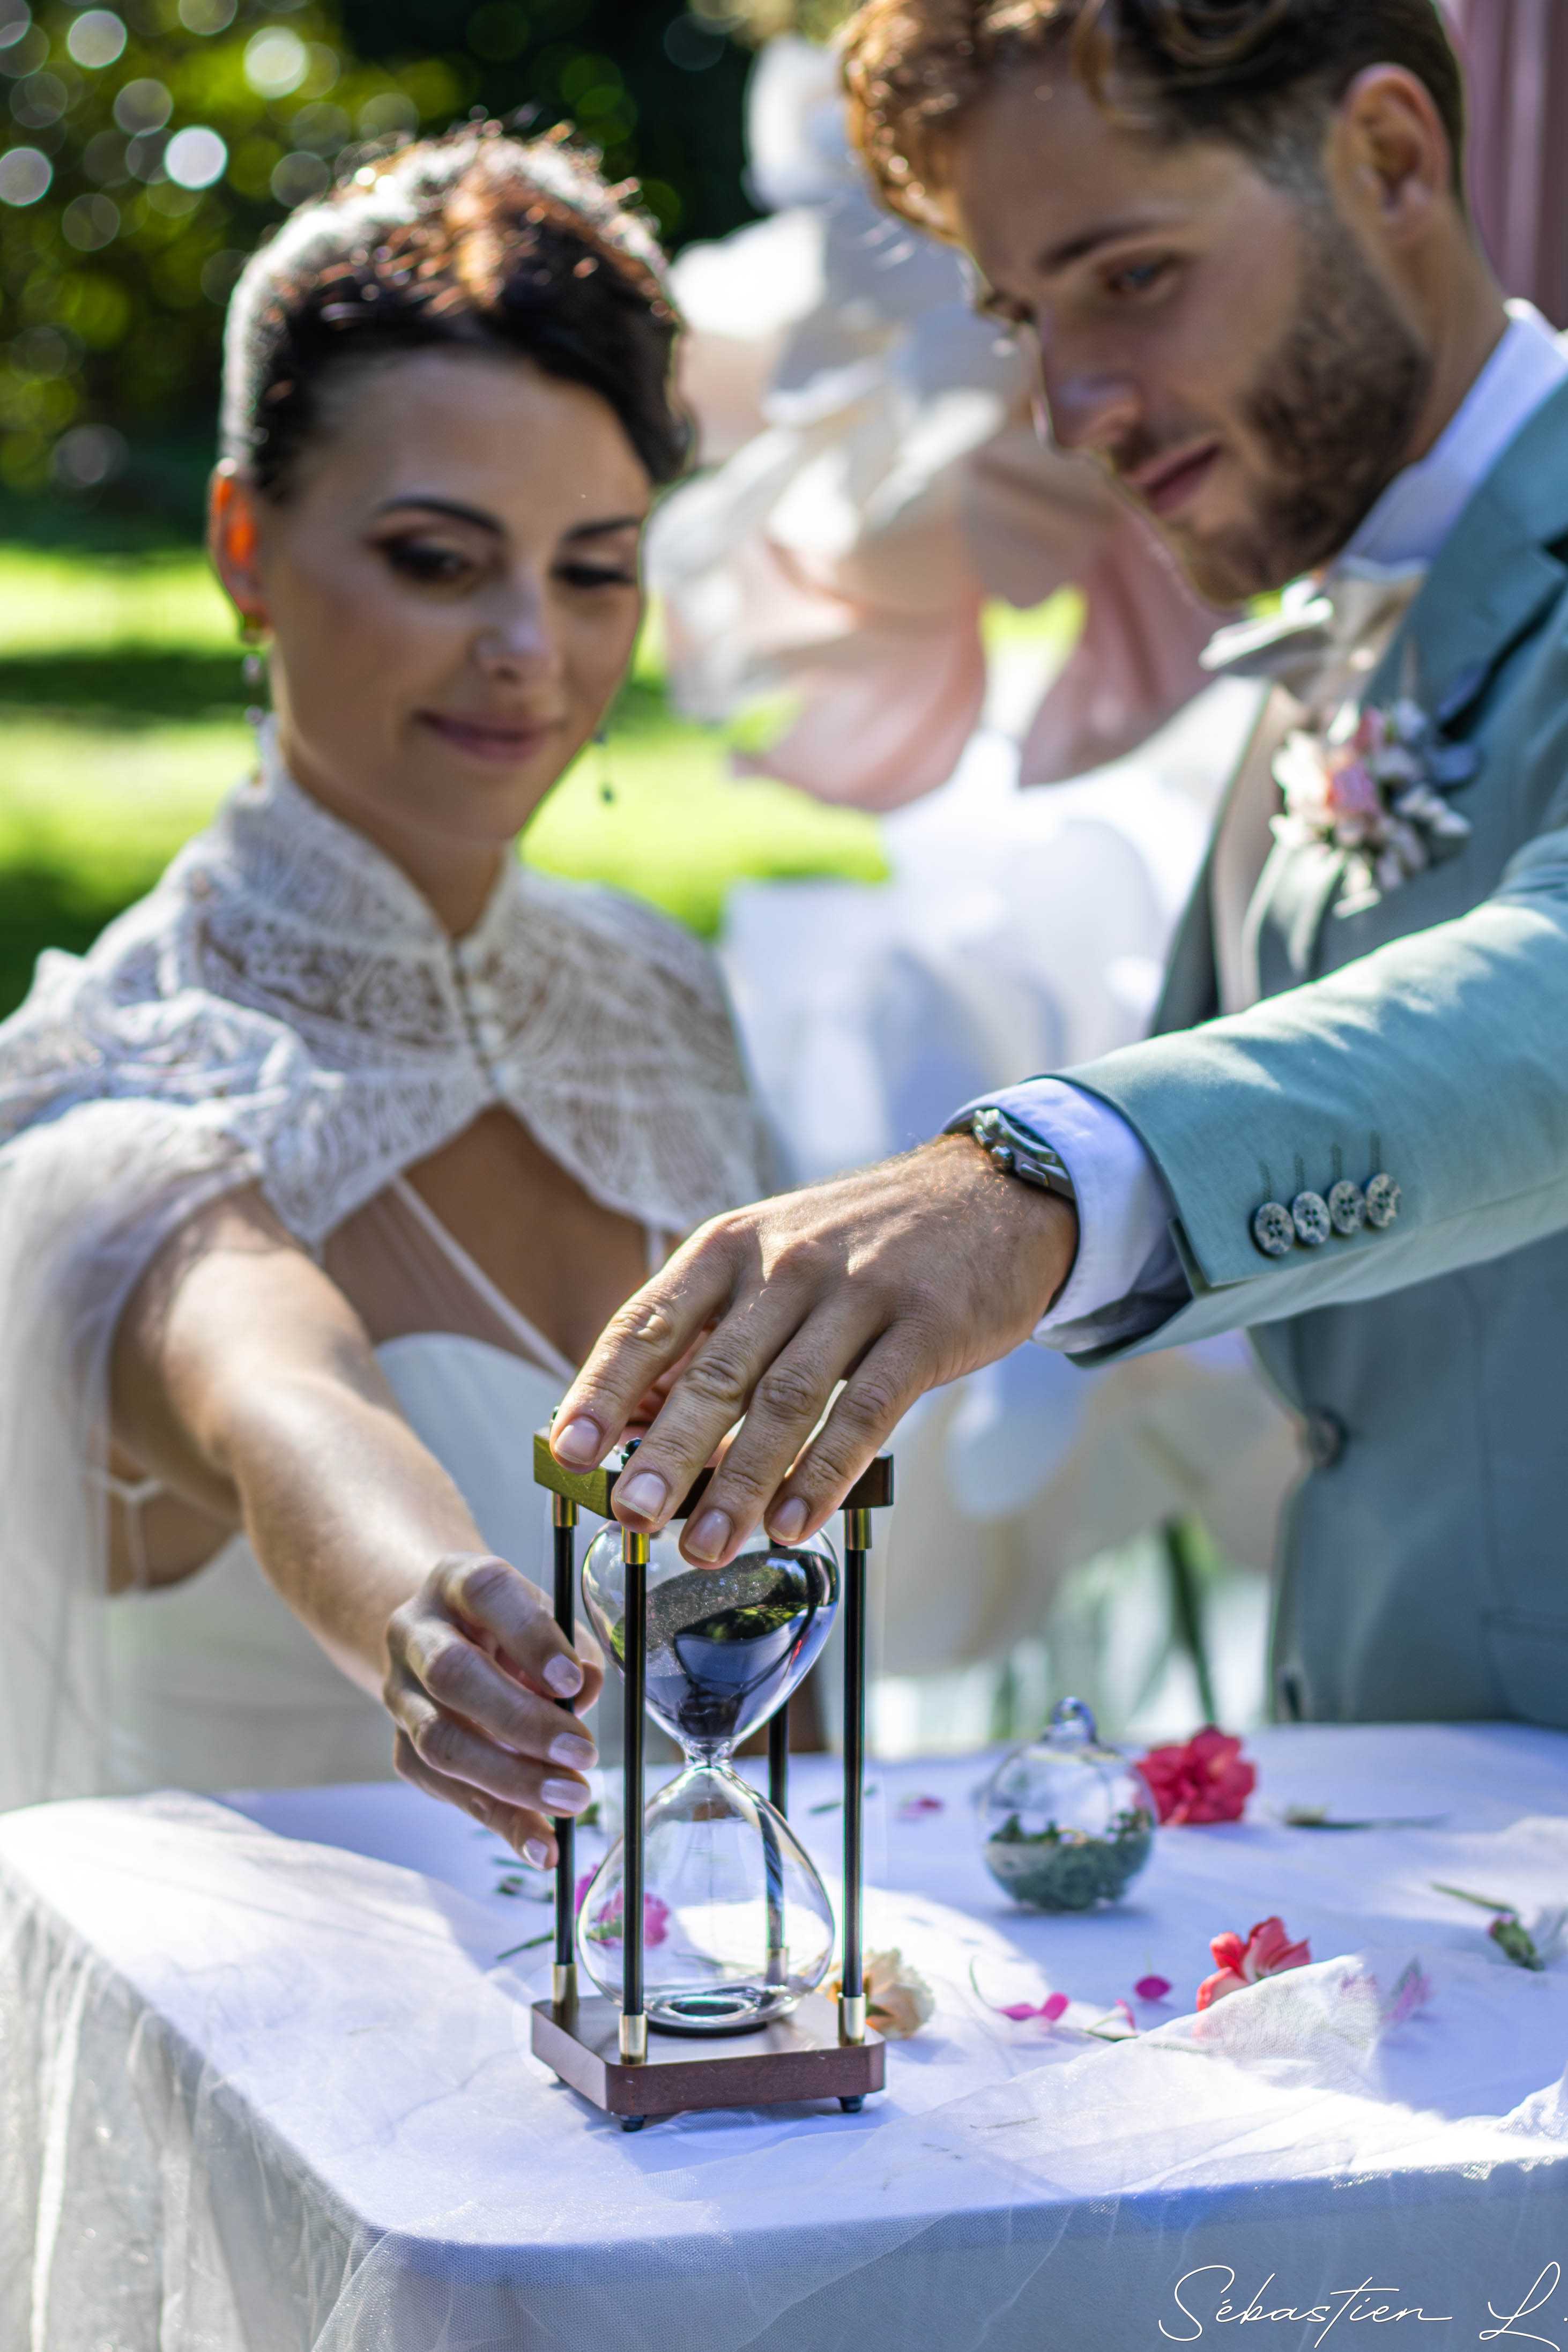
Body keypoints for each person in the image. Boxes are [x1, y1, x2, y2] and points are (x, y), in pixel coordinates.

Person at [549, 0, 1568, 1730]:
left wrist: (1024, 1190)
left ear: (1391, 157)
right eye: (1027, 317)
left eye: (1133, 277)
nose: (1072, 408)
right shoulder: (1320, 650)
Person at [0, 125, 771, 1862]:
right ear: (244, 543)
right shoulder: (122, 1078)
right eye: (438, 558)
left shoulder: (665, 998)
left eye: (595, 569)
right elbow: (279, 1394)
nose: (531, 650)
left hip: (703, 1984)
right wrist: (433, 1615)